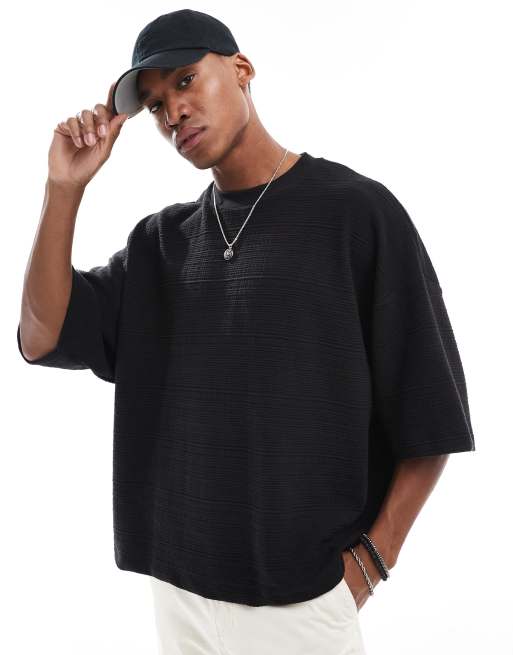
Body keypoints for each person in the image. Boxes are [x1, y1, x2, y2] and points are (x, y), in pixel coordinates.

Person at [16, 9, 476, 655]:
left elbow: (431, 409)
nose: (173, 112)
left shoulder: (355, 213)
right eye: (155, 104)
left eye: (185, 80)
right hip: (179, 596)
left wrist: (370, 564)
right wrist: (62, 189)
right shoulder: (160, 243)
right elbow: (41, 334)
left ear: (241, 69)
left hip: (302, 602)